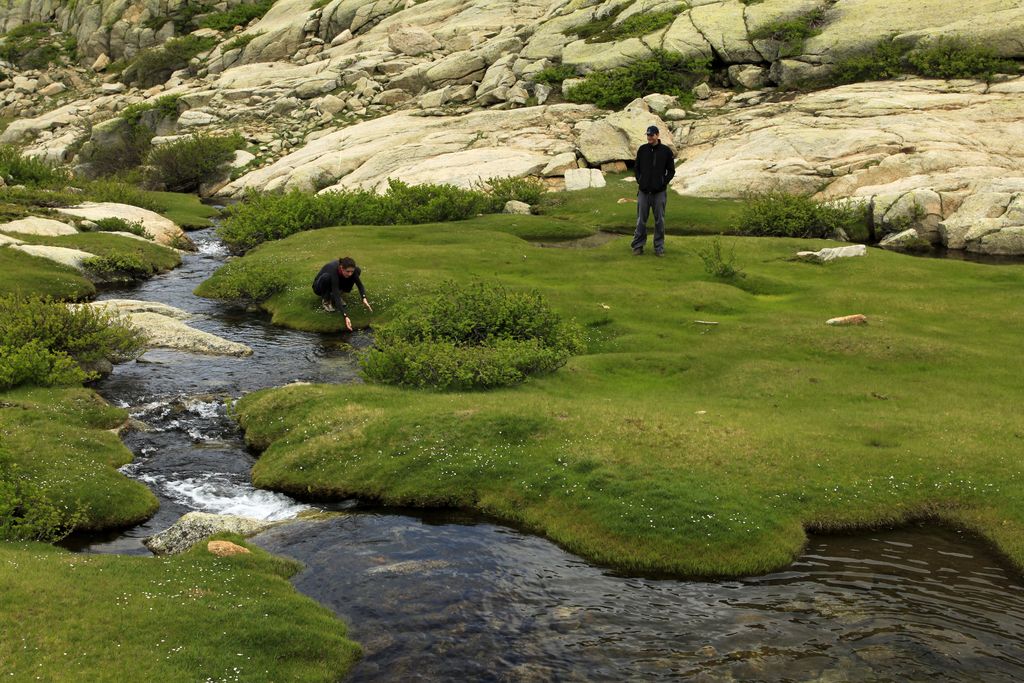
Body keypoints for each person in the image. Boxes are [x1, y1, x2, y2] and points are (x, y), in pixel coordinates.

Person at [631, 125, 675, 256]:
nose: (649, 137)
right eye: (648, 135)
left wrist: (663, 182)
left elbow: (671, 171)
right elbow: (636, 168)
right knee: (640, 220)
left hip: (659, 193)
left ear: (657, 135)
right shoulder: (642, 149)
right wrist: (640, 180)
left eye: (651, 135)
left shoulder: (666, 151)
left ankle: (659, 248)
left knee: (659, 220)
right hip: (644, 192)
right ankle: (638, 246)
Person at [312, 256, 372, 331]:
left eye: (351, 271)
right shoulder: (333, 270)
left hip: (334, 282)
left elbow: (359, 285)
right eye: (347, 271)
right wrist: (345, 316)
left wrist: (364, 298)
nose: (350, 274)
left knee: (357, 270)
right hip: (319, 287)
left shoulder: (352, 271)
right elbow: (336, 294)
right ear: (341, 268)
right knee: (326, 277)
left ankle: (340, 292)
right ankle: (326, 300)